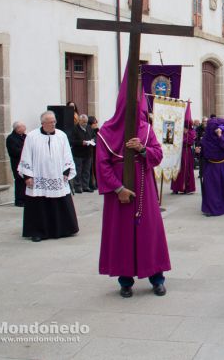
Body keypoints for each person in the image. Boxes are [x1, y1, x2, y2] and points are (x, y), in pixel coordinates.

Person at [95, 71, 171, 298]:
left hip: (143, 188)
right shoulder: (106, 132)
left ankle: (156, 278)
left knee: (149, 232)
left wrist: (142, 149)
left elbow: (157, 155)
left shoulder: (146, 130)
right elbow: (102, 165)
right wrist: (118, 189)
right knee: (121, 236)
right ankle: (125, 281)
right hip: (118, 193)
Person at [18, 111, 79, 242]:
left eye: (54, 122)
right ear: (43, 123)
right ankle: (38, 232)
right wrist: (28, 176)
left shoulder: (61, 135)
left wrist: (66, 171)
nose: (53, 124)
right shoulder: (32, 137)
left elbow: (67, 154)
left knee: (60, 202)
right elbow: (26, 156)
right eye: (50, 122)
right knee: (39, 205)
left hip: (57, 175)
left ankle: (62, 229)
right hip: (39, 176)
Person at [199, 118, 224, 216]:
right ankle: (211, 208)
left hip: (222, 165)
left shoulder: (223, 135)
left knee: (221, 187)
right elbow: (203, 152)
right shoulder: (206, 138)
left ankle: (222, 207)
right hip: (210, 166)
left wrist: (220, 136)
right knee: (211, 188)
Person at [170, 105, 197, 195]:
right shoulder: (179, 130)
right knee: (177, 169)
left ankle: (186, 188)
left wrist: (185, 135)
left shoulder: (192, 132)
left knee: (186, 169)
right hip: (178, 152)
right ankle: (176, 187)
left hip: (187, 152)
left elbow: (189, 141)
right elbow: (174, 139)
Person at [70, 114, 95, 193]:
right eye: (83, 122)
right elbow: (71, 141)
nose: (85, 124)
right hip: (78, 154)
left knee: (87, 171)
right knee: (78, 170)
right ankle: (77, 187)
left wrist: (93, 140)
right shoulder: (74, 129)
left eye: (86, 122)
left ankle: (85, 186)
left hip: (88, 153)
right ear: (79, 121)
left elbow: (95, 136)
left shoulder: (89, 128)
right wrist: (81, 142)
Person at [6, 121, 28, 207]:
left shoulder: (25, 137)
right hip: (17, 163)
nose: (25, 129)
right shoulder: (11, 138)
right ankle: (19, 201)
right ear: (17, 129)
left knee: (26, 181)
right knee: (19, 181)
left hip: (26, 163)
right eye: (23, 127)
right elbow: (14, 151)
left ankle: (26, 199)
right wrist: (25, 151)